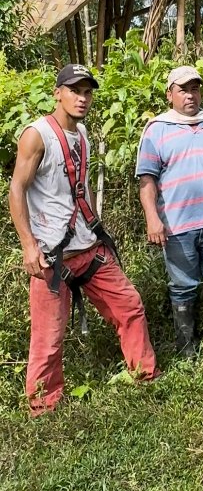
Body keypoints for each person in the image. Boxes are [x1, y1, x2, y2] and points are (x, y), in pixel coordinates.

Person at [9, 63, 158, 416]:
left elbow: (80, 187)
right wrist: (28, 245)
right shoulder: (37, 135)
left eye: (87, 92)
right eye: (74, 91)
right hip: (51, 255)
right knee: (49, 337)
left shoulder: (83, 133)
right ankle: (43, 407)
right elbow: (16, 189)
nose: (82, 98)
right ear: (57, 93)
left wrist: (95, 227)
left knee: (130, 306)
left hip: (89, 248)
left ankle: (146, 379)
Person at [136, 65, 203, 357]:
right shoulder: (157, 130)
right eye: (183, 90)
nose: (190, 95)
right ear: (169, 94)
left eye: (194, 89)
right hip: (176, 227)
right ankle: (187, 352)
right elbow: (147, 181)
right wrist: (152, 218)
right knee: (183, 287)